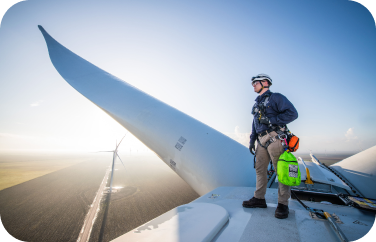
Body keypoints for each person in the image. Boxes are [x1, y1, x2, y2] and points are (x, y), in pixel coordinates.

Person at [242, 74, 298, 219]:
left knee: (281, 172)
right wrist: (252, 140)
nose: (253, 85)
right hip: (261, 141)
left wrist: (272, 120)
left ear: (265, 83)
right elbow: (255, 124)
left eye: (255, 83)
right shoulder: (256, 104)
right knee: (260, 170)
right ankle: (259, 199)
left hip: (275, 138)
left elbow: (293, 113)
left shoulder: (276, 98)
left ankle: (283, 204)